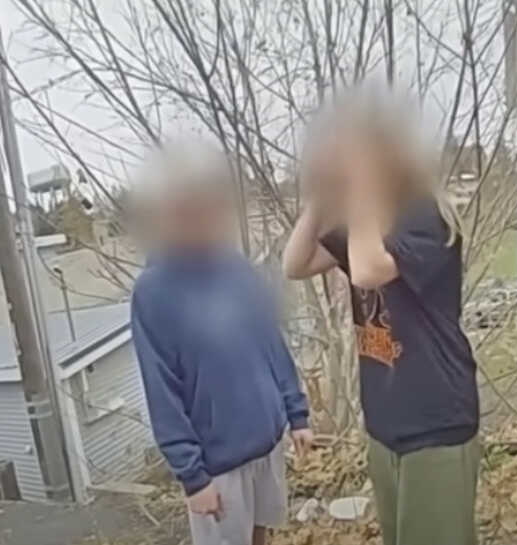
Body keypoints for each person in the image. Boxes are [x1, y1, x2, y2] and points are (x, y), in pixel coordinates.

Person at [283, 90, 480, 545]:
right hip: (386, 425)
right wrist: (320, 201)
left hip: (436, 421)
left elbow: (369, 271)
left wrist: (361, 191)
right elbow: (295, 264)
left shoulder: (425, 215)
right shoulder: (367, 223)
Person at [130, 143, 313, 545]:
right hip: (218, 465)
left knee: (261, 537)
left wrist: (296, 415)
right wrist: (193, 477)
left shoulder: (236, 268)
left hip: (267, 445)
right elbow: (161, 389)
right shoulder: (154, 291)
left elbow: (270, 342)